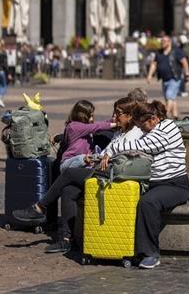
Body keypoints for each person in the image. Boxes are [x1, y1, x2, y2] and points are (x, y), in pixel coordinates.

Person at [14, 96, 143, 254]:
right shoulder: (120, 132)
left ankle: (40, 207)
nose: (114, 117)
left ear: (130, 116)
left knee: (68, 173)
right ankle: (66, 240)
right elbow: (106, 148)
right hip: (102, 170)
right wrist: (102, 155)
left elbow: (121, 151)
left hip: (113, 175)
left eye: (118, 113)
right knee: (68, 190)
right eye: (114, 112)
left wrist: (105, 155)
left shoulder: (134, 133)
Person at [94, 100, 189, 269]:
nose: (141, 129)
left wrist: (111, 150)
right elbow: (127, 145)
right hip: (151, 184)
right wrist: (111, 151)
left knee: (148, 203)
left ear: (153, 119)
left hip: (174, 185)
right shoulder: (150, 130)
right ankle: (120, 246)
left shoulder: (168, 128)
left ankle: (150, 254)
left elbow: (138, 145)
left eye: (142, 125)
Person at [57, 99, 119, 171]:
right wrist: (116, 124)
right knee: (83, 158)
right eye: (90, 116)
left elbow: (102, 123)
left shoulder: (86, 128)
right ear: (82, 116)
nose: (92, 119)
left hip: (83, 164)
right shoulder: (73, 126)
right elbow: (97, 126)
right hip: (69, 163)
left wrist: (116, 119)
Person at [145, 35, 189, 120]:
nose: (162, 43)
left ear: (169, 42)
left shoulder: (176, 51)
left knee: (169, 95)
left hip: (174, 78)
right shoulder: (159, 53)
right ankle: (175, 115)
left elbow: (184, 61)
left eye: (164, 41)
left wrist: (187, 73)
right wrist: (149, 75)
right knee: (170, 98)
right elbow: (154, 64)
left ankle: (164, 116)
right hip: (164, 79)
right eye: (161, 41)